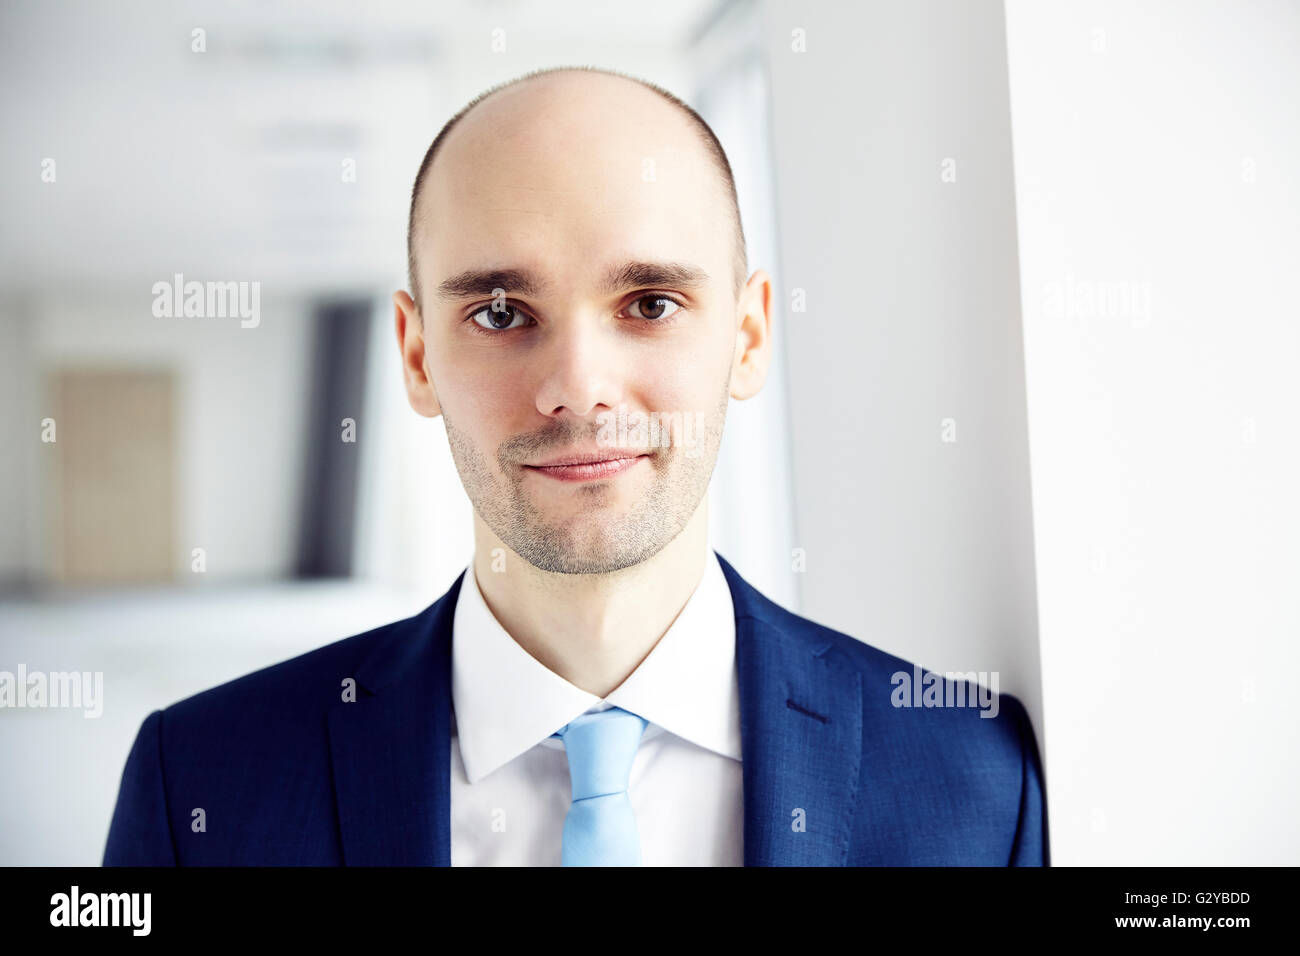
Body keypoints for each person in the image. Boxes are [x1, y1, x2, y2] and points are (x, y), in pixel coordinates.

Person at [104, 66, 1047, 867]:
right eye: (502, 313)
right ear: (418, 355)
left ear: (749, 336)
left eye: (649, 303)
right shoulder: (201, 784)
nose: (579, 390)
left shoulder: (971, 785)